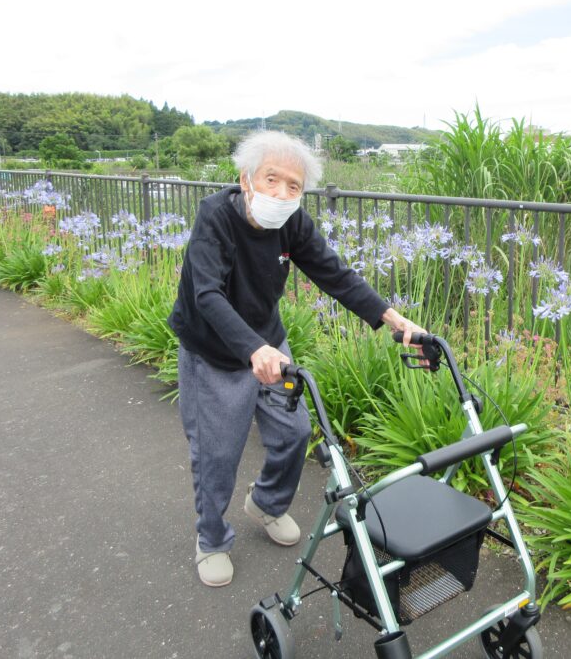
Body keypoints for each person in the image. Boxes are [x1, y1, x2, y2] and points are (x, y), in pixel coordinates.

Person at [168, 130, 425, 587]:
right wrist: (251, 348)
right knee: (217, 453)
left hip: (268, 341)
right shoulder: (215, 217)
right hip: (214, 353)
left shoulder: (292, 222)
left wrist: (394, 319)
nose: (283, 193)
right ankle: (211, 539)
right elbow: (206, 294)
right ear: (246, 179)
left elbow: (334, 272)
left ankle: (266, 503)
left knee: (295, 431)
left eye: (294, 186)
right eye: (273, 179)